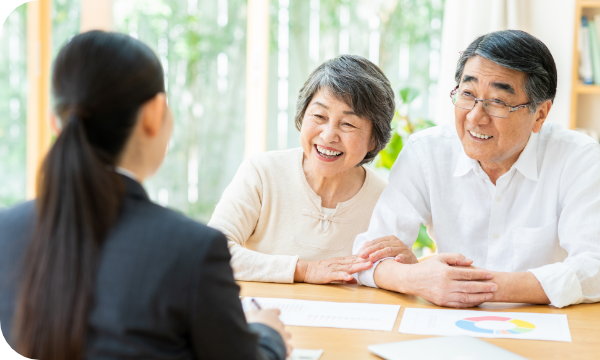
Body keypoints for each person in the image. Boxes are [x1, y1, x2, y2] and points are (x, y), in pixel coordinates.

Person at [0, 31, 290, 360]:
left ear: (56, 123)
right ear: (154, 114)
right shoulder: (191, 249)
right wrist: (267, 334)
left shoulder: (5, 231)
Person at [353, 30, 600, 309]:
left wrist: (472, 288)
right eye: (468, 94)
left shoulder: (577, 158)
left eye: (498, 101)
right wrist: (415, 278)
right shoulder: (427, 151)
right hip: (448, 325)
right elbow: (367, 256)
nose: (475, 117)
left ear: (540, 114)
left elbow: (594, 266)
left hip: (540, 329)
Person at [208, 55, 417, 285]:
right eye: (319, 116)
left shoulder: (385, 201)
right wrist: (304, 270)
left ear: (373, 140)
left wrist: (407, 267)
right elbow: (213, 253)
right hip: (263, 317)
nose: (328, 135)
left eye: (347, 124)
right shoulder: (262, 173)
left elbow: (390, 279)